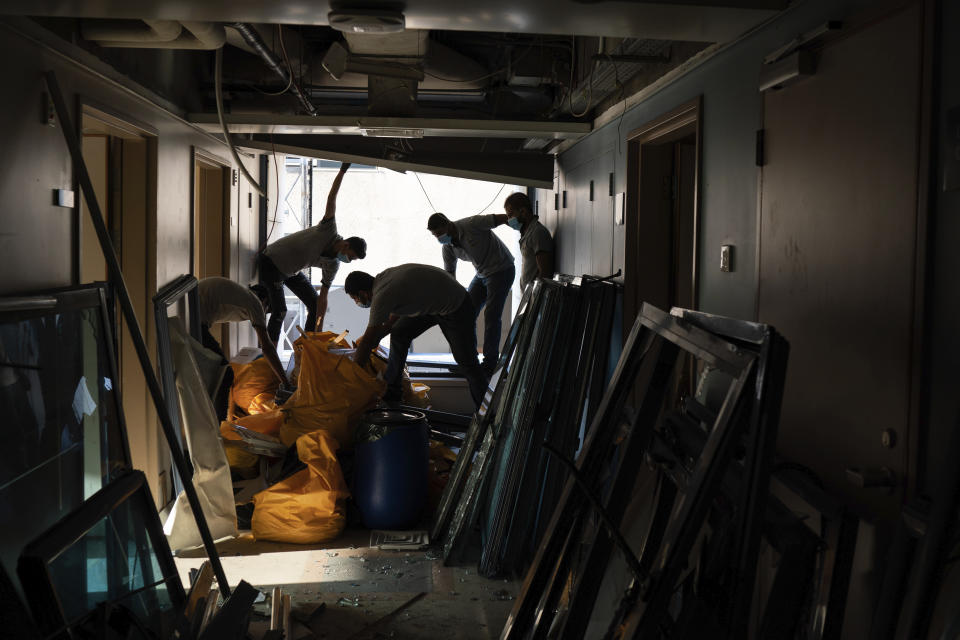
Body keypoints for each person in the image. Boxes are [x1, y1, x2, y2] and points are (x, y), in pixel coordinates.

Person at [344, 265, 488, 410]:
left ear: (363, 294)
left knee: (467, 363)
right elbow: (392, 319)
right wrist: (377, 337)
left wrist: (352, 375)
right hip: (434, 303)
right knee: (400, 333)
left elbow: (369, 339)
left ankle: (486, 413)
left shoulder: (382, 294)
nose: (357, 302)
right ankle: (393, 394)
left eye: (355, 299)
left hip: (456, 305)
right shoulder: (383, 279)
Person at [256, 162, 366, 344]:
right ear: (346, 245)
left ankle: (307, 345)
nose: (349, 261)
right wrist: (342, 171)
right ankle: (268, 355)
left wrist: (318, 333)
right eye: (351, 256)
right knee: (280, 311)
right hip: (271, 262)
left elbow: (323, 298)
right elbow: (332, 198)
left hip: (291, 272)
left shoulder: (333, 265)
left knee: (314, 304)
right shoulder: (328, 229)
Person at [427, 212, 515, 376]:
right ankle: (470, 361)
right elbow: (450, 277)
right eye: (434, 235)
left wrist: (523, 229)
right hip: (481, 274)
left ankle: (490, 363)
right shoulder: (447, 247)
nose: (438, 238)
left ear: (448, 223)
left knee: (491, 316)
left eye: (439, 233)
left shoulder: (472, 224)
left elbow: (502, 218)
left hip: (501, 269)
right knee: (465, 313)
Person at [197, 276, 288, 387]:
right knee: (225, 374)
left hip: (190, 306)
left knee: (212, 368)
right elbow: (267, 348)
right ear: (264, 301)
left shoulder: (244, 295)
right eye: (267, 310)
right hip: (195, 319)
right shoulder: (256, 304)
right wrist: (285, 382)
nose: (264, 314)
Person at [494, 192, 555, 290]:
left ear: (523, 211)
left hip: (534, 296)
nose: (509, 220)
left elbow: (545, 272)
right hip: (528, 296)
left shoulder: (537, 233)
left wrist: (532, 296)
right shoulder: (526, 232)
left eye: (510, 215)